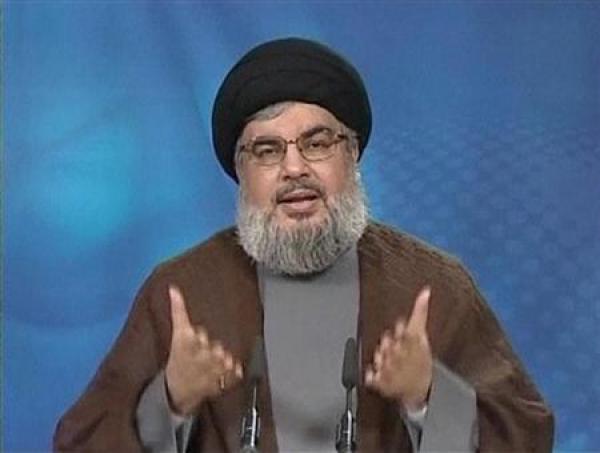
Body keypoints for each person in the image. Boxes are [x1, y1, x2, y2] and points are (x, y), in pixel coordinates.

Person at [54, 37, 554, 452]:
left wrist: (429, 396)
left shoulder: (433, 285)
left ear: (352, 155)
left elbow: (526, 434)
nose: (295, 168)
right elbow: (83, 441)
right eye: (267, 150)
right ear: (241, 171)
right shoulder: (181, 291)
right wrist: (169, 402)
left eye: (317, 144)